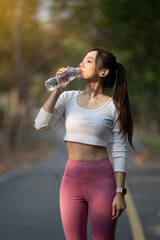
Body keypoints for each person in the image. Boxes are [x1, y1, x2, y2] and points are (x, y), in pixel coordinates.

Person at [34, 48, 134, 240]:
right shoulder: (67, 98)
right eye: (82, 60)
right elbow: (40, 125)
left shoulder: (114, 107)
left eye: (88, 61)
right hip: (71, 180)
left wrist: (120, 193)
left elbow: (120, 151)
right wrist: (58, 89)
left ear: (102, 72)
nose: (81, 64)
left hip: (102, 182)